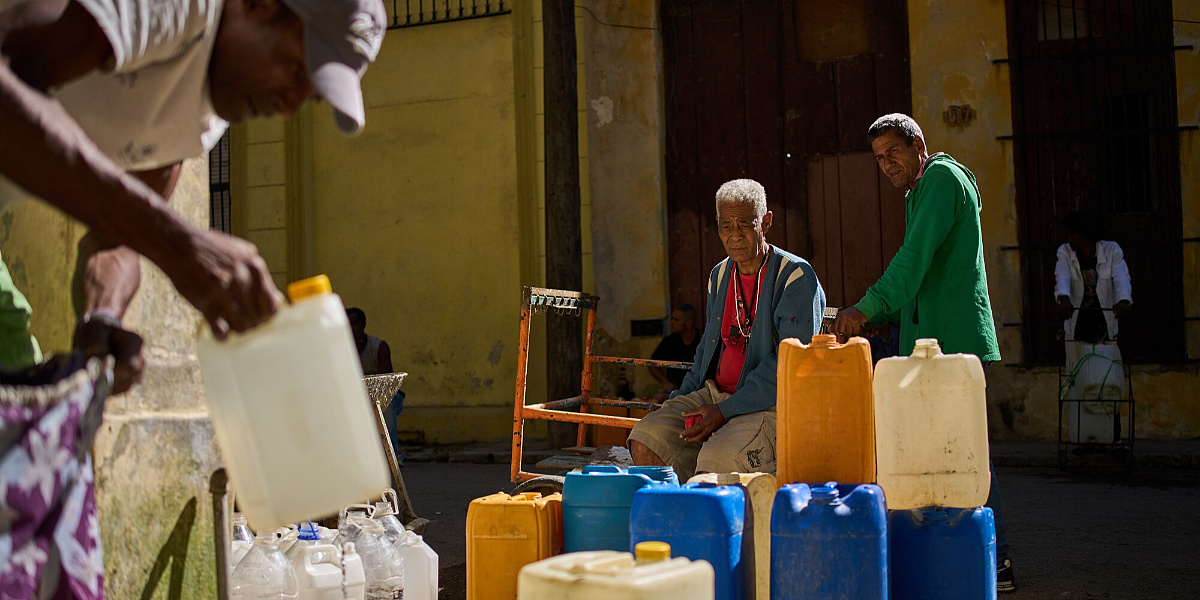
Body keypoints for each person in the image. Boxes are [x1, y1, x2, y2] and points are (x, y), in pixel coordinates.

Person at [0, 0, 386, 393]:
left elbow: (115, 240)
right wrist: (177, 243)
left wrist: (101, 318)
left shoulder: (198, 126)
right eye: (294, 70)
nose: (287, 108)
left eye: (308, 96)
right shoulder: (183, 9)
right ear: (259, 6)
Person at [831, 113, 1014, 592]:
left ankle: (994, 561)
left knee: (966, 454)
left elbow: (910, 265)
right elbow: (921, 271)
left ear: (917, 144)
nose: (886, 164)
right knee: (948, 451)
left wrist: (864, 308)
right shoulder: (923, 189)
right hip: (932, 340)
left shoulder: (939, 180)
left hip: (950, 343)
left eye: (893, 152)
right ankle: (964, 558)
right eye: (878, 158)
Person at [628, 179, 825, 481]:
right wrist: (679, 400)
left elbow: (790, 362)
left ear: (766, 222)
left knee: (715, 467)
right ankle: (673, 523)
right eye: (725, 226)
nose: (734, 236)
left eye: (745, 225)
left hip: (769, 406)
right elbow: (707, 350)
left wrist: (725, 411)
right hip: (715, 396)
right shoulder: (719, 276)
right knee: (646, 440)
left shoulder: (795, 277)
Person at [1055, 209, 1132, 343]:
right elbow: (1062, 276)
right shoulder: (1065, 252)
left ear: (1084, 235)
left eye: (1072, 234)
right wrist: (1064, 299)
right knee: (1076, 363)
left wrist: (1123, 301)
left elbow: (1122, 277)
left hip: (1104, 327)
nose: (1069, 238)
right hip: (1077, 327)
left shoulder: (1111, 250)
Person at [348, 307, 403, 454]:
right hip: (356, 397)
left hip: (380, 396)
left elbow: (384, 384)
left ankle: (392, 453)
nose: (352, 329)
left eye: (355, 324)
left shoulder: (378, 347)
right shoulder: (342, 350)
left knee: (387, 402)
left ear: (363, 325)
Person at [648, 304, 700, 401]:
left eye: (676, 320)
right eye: (672, 319)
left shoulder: (702, 340)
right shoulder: (670, 341)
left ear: (688, 323)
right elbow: (652, 364)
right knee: (656, 399)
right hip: (674, 390)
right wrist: (665, 382)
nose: (672, 323)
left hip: (698, 390)